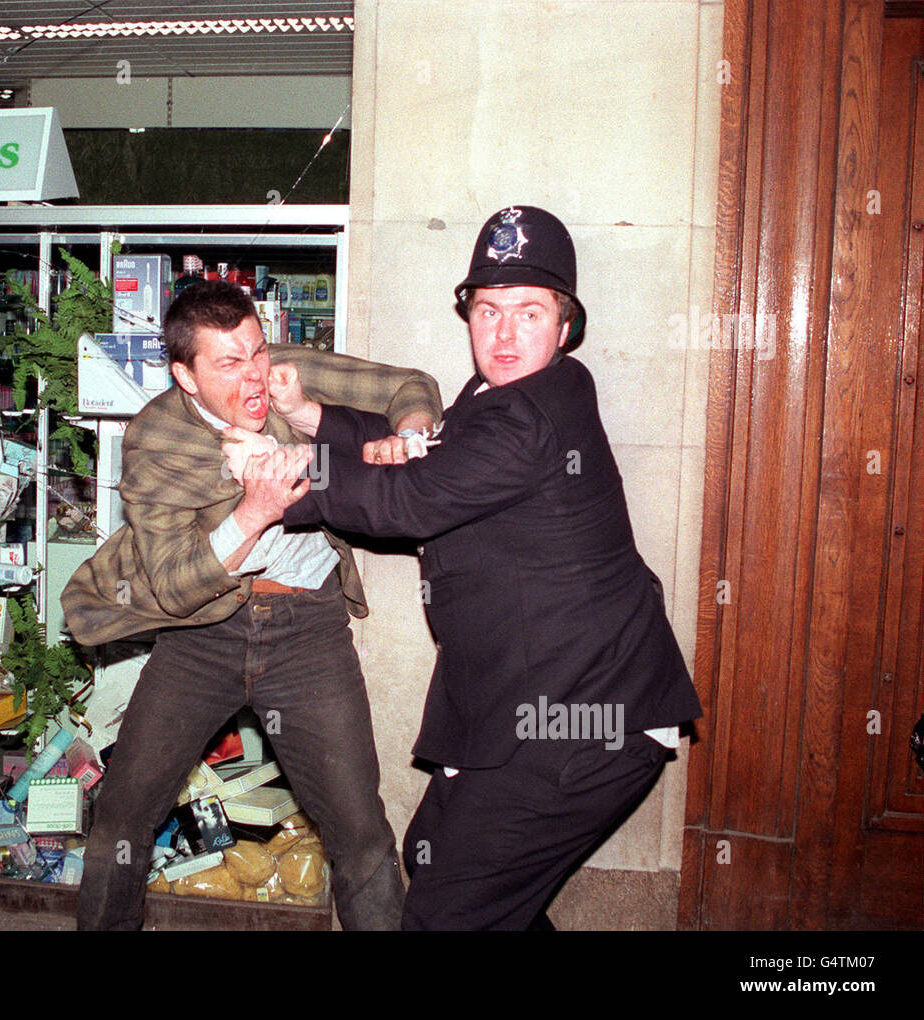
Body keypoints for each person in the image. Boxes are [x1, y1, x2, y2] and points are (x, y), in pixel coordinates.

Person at [271, 206, 704, 930]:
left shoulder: (526, 415)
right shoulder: (506, 395)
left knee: (450, 908)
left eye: (529, 312)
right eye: (488, 310)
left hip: (584, 713)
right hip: (545, 698)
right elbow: (430, 454)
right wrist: (320, 420)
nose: (503, 335)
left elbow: (407, 502)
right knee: (443, 856)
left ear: (565, 324)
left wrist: (284, 480)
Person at [61, 279, 442, 930]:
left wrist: (408, 433)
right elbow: (177, 586)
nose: (255, 375)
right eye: (229, 363)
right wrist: (255, 512)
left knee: (358, 826)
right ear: (186, 374)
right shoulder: (156, 439)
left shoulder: (288, 374)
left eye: (257, 351)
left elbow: (410, 386)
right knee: (121, 817)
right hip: (200, 637)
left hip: (307, 630)